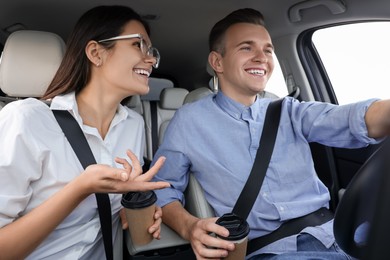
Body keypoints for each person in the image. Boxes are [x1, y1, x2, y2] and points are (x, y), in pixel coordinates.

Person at [151, 8, 390, 260]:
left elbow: (351, 119)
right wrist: (190, 227)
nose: (261, 57)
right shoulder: (189, 121)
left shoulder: (289, 110)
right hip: (269, 250)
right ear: (217, 62)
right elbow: (162, 189)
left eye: (267, 50)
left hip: (337, 234)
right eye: (246, 48)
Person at [0, 5, 170, 260]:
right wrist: (80, 188)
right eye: (138, 45)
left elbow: (110, 209)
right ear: (95, 52)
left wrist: (130, 211)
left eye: (152, 51)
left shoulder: (133, 125)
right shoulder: (25, 120)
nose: (151, 59)